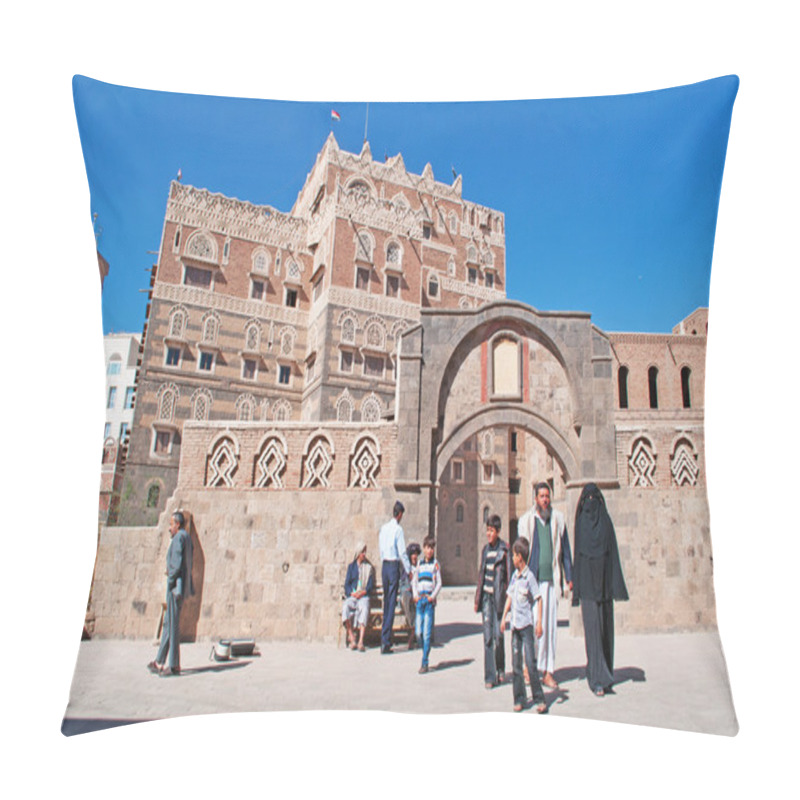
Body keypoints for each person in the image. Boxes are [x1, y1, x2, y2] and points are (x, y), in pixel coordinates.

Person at [572, 483, 628, 696]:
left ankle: (605, 675)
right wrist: (576, 590)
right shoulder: (583, 524)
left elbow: (612, 554)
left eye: (593, 500)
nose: (591, 505)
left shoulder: (604, 522)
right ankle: (596, 679)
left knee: (604, 633)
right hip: (588, 590)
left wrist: (614, 586)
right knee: (594, 634)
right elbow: (578, 556)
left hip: (603, 589)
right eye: (588, 501)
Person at [517, 482, 573, 689]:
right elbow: (519, 552)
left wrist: (569, 576)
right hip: (532, 584)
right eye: (541, 496)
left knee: (549, 628)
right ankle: (527, 667)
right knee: (530, 626)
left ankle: (548, 671)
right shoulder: (526, 521)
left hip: (550, 582)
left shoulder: (557, 520)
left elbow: (565, 549)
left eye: (547, 496)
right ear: (535, 499)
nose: (545, 499)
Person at [501, 537, 547, 713]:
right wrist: (504, 617)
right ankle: (519, 698)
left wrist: (539, 622)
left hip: (527, 628)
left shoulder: (530, 577)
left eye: (513, 555)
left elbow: (538, 598)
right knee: (516, 665)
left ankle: (539, 698)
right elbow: (510, 597)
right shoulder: (514, 577)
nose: (512, 558)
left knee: (530, 662)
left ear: (520, 557)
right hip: (515, 628)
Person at [147, 511, 193, 677]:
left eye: (171, 524)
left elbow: (177, 563)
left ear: (178, 524)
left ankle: (174, 665)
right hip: (180, 586)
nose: (169, 528)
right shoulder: (187, 537)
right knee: (168, 623)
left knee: (173, 626)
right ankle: (159, 661)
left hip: (175, 587)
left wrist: (171, 574)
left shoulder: (179, 538)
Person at [474, 513, 511, 689]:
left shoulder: (505, 550)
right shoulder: (485, 551)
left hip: (500, 599)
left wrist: (510, 601)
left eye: (491, 530)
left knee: (499, 636)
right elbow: (481, 575)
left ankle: (500, 668)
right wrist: (477, 599)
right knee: (487, 637)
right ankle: (490, 676)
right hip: (487, 599)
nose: (488, 533)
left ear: (498, 531)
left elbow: (509, 577)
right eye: (487, 530)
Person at [378, 501, 411, 654]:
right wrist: (409, 569)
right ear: (399, 514)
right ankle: (386, 642)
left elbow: (381, 549)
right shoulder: (398, 530)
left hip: (384, 565)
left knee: (387, 602)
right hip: (393, 567)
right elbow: (403, 552)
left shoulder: (383, 529)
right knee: (391, 603)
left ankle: (384, 638)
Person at [412, 535, 442, 674]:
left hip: (429, 602)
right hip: (420, 601)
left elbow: (439, 583)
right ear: (423, 549)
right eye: (427, 548)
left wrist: (432, 597)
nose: (429, 551)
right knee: (419, 632)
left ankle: (424, 661)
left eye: (432, 548)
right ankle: (423, 647)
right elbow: (414, 581)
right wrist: (415, 595)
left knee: (427, 633)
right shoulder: (420, 564)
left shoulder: (435, 564)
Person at [342, 543, 375, 652]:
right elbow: (347, 584)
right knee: (346, 606)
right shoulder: (351, 567)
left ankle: (361, 640)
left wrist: (362, 592)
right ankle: (352, 637)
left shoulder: (368, 568)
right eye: (362, 552)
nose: (364, 554)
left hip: (363, 595)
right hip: (353, 595)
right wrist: (351, 593)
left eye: (365, 552)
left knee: (364, 607)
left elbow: (370, 585)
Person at [400, 542, 421, 649]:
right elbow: (403, 586)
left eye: (416, 554)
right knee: (408, 599)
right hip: (408, 596)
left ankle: (413, 636)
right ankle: (413, 635)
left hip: (417, 596)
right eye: (413, 554)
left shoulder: (419, 567)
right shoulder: (405, 570)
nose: (415, 556)